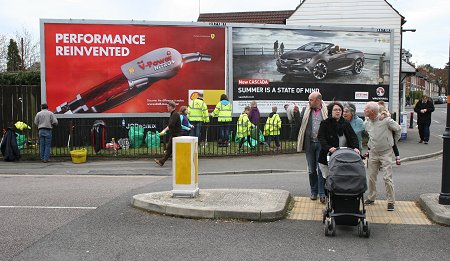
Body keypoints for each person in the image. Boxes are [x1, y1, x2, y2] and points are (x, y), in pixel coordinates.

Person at [363, 101, 401, 211]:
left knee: (387, 178)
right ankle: (371, 197)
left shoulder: (386, 120)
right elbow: (369, 135)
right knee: (371, 177)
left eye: (366, 109)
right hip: (373, 152)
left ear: (372, 111)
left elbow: (398, 129)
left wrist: (393, 143)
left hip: (386, 152)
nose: (364, 110)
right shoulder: (367, 123)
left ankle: (390, 201)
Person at [297, 92, 328, 202]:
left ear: (318, 101)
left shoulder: (327, 110)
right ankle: (313, 192)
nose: (309, 102)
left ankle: (322, 193)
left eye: (311, 100)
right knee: (311, 170)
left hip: (321, 144)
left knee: (321, 169)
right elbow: (300, 124)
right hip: (309, 144)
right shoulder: (306, 110)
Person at [318, 102, 360, 182]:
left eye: (340, 110)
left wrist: (356, 148)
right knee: (328, 179)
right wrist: (329, 148)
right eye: (335, 110)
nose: (338, 111)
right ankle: (327, 194)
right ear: (331, 111)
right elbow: (321, 138)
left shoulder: (345, 123)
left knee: (342, 179)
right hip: (327, 156)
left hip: (343, 156)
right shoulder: (325, 123)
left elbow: (353, 137)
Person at [154, 101, 182, 167]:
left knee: (171, 149)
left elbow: (171, 124)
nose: (167, 108)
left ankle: (162, 162)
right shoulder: (173, 114)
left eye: (168, 106)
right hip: (174, 134)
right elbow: (171, 124)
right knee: (169, 149)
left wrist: (164, 130)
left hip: (176, 135)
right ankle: (161, 162)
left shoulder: (175, 114)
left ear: (172, 107)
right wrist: (164, 131)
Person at [377, 100, 401, 165]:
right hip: (389, 131)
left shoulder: (385, 114)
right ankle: (397, 157)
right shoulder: (385, 112)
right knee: (393, 144)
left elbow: (397, 127)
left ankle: (397, 157)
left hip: (389, 131)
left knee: (392, 144)